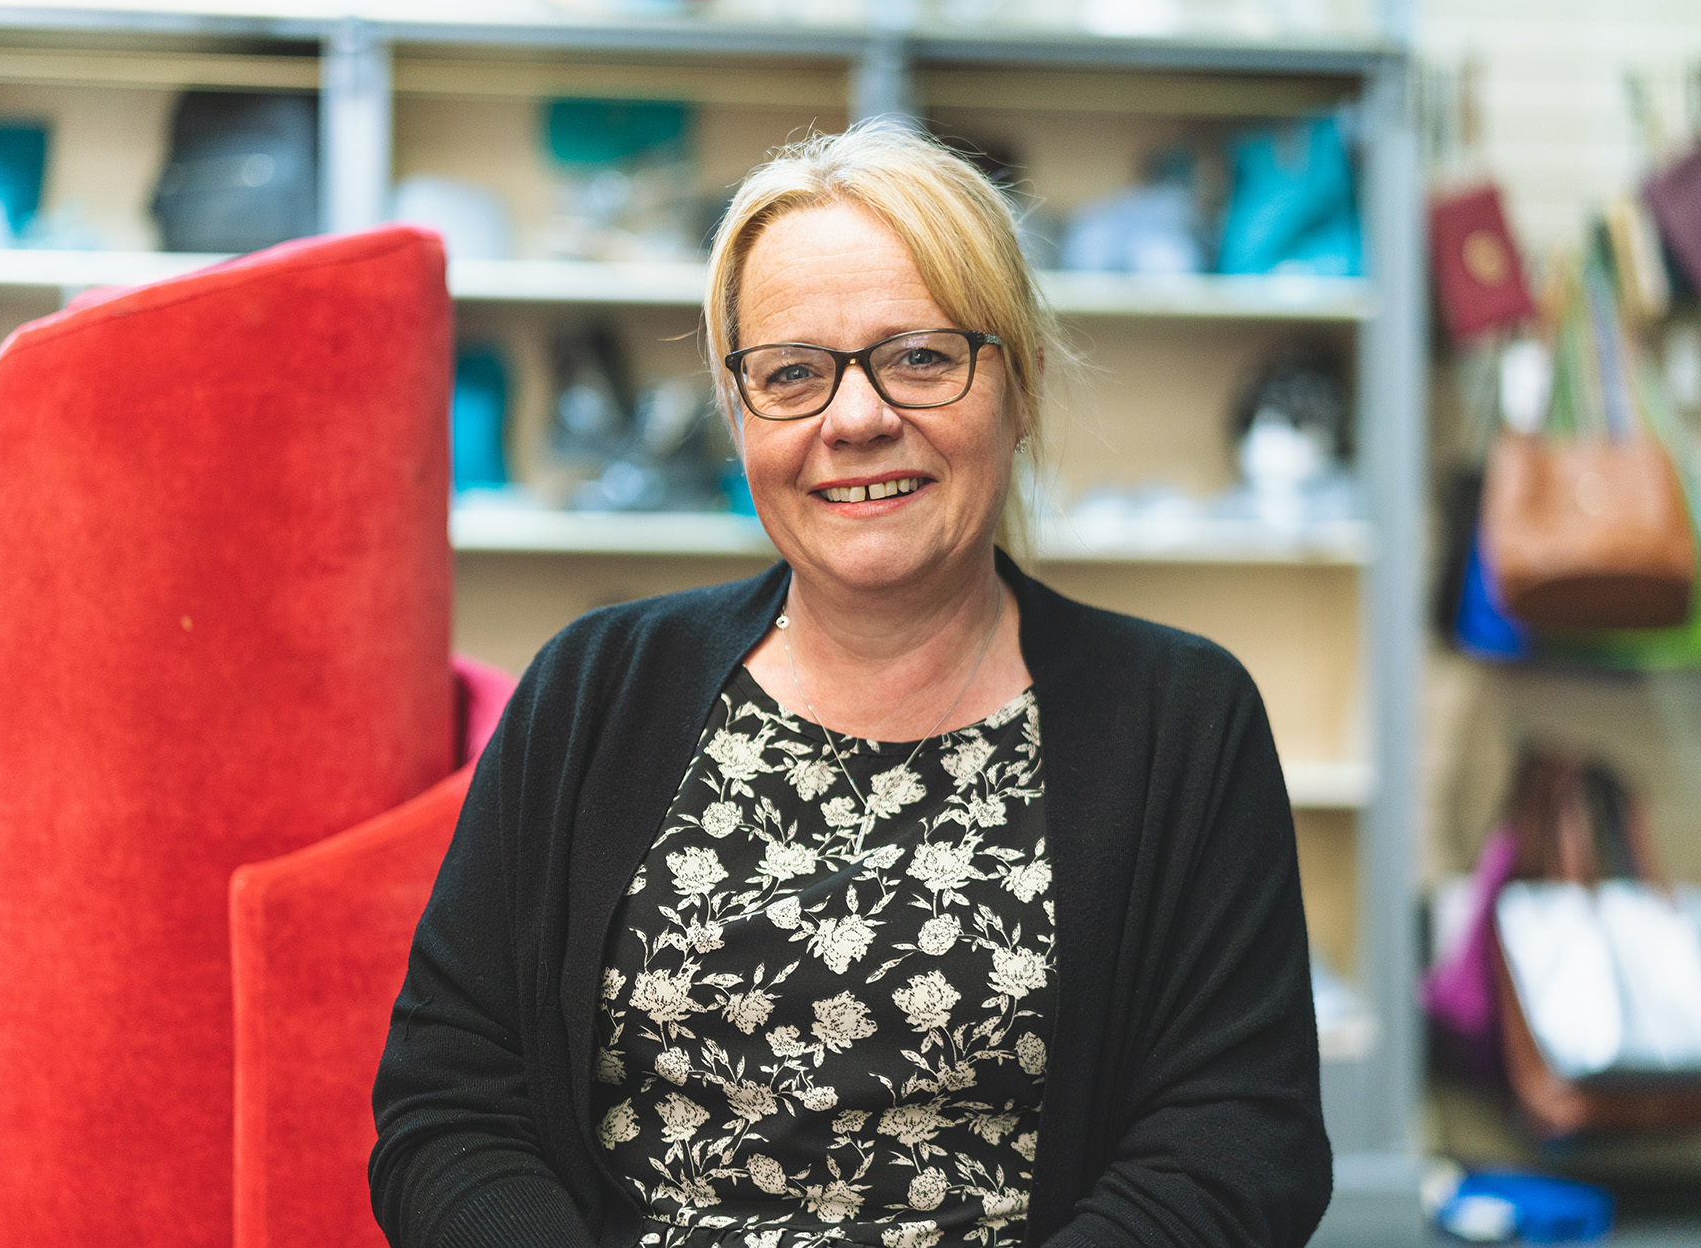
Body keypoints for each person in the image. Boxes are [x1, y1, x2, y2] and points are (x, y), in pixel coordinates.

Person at [370, 122, 1331, 1248]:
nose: (858, 417)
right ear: (739, 420)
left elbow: (1236, 1143)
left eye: (921, 356)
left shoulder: (1182, 720)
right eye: (792, 374)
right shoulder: (596, 687)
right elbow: (447, 1107)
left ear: (1016, 388)